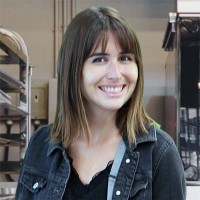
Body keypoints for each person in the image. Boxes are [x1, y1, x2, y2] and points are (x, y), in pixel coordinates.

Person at [15, 6, 186, 200]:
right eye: (99, 59)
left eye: (125, 58)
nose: (115, 73)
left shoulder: (160, 154)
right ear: (74, 70)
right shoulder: (41, 145)